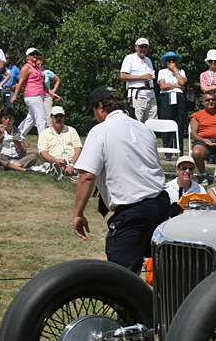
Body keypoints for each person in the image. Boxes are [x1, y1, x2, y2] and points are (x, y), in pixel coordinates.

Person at [73, 85, 170, 272]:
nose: (94, 116)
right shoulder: (144, 129)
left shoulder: (100, 131)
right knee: (160, 269)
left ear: (100, 106)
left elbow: (86, 176)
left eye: (94, 111)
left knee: (122, 275)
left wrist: (78, 214)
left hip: (134, 211)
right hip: (159, 204)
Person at [37, 106, 83, 179]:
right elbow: (43, 153)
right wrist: (56, 160)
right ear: (51, 118)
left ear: (64, 118)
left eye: (61, 116)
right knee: (51, 166)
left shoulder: (71, 130)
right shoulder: (44, 133)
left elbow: (78, 149)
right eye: (56, 116)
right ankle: (65, 172)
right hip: (53, 162)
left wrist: (72, 165)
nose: (58, 118)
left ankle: (69, 171)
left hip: (72, 162)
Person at [10, 48, 48, 136]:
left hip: (39, 95)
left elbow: (42, 83)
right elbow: (21, 83)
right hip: (33, 95)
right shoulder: (26, 67)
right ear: (27, 56)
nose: (35, 56)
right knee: (41, 119)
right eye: (32, 54)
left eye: (37, 54)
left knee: (30, 119)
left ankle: (16, 137)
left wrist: (51, 93)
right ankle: (43, 144)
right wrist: (15, 95)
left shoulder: (37, 68)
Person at [156, 51, 187, 159]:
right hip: (166, 97)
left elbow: (182, 83)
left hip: (179, 97)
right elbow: (162, 86)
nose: (171, 62)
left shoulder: (181, 71)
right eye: (169, 60)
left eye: (173, 60)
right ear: (165, 62)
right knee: (167, 122)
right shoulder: (162, 72)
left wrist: (175, 71)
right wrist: (176, 85)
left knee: (179, 123)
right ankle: (168, 152)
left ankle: (180, 150)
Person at [120, 37, 157, 123]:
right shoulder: (129, 58)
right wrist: (141, 77)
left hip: (150, 94)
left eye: (145, 47)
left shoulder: (148, 60)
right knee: (137, 121)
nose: (143, 49)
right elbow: (123, 76)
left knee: (152, 121)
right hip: (138, 94)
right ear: (136, 47)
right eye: (141, 47)